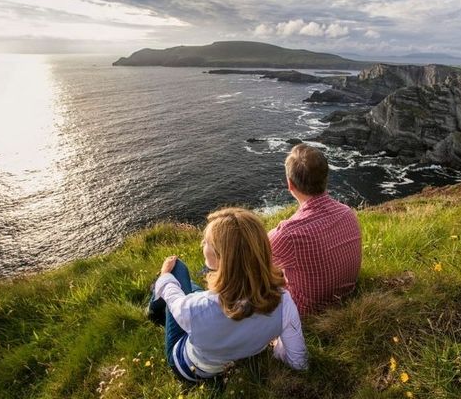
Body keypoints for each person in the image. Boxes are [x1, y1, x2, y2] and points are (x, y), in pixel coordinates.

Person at [147, 207, 307, 382]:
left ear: (224, 257)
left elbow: (175, 301)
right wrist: (277, 348)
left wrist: (165, 277)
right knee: (191, 286)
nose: (202, 244)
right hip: (237, 354)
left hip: (190, 369)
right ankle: (159, 297)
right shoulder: (283, 300)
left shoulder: (199, 306)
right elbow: (298, 361)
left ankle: (153, 311)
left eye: (207, 242)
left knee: (177, 270)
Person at [269, 143, 362, 316]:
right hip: (347, 296)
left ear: (290, 184)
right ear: (325, 179)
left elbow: (255, 257)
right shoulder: (347, 212)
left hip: (308, 312)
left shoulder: (288, 234)